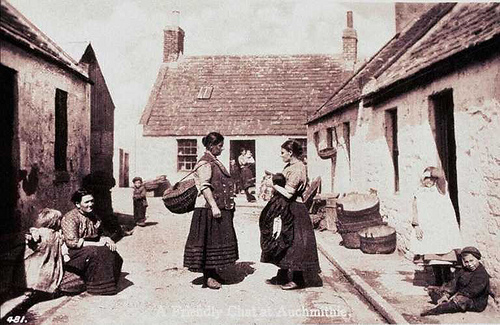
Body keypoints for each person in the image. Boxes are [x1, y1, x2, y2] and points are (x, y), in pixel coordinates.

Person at [261, 139, 320, 290]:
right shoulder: (291, 166)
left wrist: (272, 184)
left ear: (290, 153)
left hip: (295, 209)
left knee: (296, 244)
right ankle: (282, 275)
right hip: (287, 208)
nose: (281, 156)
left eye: (283, 153)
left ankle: (298, 280)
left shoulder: (298, 168)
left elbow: (289, 193)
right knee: (282, 241)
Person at [183, 132, 239, 290]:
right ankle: (208, 277)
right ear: (211, 146)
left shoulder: (213, 161)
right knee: (209, 242)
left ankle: (213, 273)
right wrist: (214, 206)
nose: (222, 149)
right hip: (208, 209)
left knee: (216, 242)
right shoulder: (205, 163)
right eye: (220, 146)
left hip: (218, 207)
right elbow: (205, 186)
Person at [61, 189, 123, 295]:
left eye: (92, 201)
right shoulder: (70, 218)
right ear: (77, 204)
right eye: (87, 202)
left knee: (111, 253)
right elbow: (72, 242)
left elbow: (100, 233)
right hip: (75, 250)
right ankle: (97, 287)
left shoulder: (93, 216)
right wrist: (97, 244)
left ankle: (106, 285)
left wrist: (107, 239)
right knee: (97, 252)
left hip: (91, 246)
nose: (90, 204)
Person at [411, 167, 462, 286]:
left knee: (445, 259)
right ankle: (438, 284)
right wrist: (417, 226)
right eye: (425, 179)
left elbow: (441, 176)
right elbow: (415, 210)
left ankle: (447, 285)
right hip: (428, 230)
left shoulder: (440, 189)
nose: (428, 181)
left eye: (431, 178)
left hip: (442, 229)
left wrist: (431, 170)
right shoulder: (418, 192)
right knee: (433, 258)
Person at [421, 246, 491, 316]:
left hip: (474, 301)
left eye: (471, 261)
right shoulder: (464, 269)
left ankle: (436, 310)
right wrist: (446, 295)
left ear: (477, 259)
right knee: (434, 291)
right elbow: (454, 283)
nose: (469, 264)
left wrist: (453, 298)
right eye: (466, 262)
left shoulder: (481, 275)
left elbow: (470, 292)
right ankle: (444, 303)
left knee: (460, 301)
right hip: (460, 293)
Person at [22, 208, 66, 301]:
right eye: (59, 220)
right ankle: (41, 292)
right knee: (45, 276)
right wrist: (32, 234)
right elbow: (32, 234)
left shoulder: (55, 233)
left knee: (38, 276)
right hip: (43, 259)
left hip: (45, 259)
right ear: (54, 222)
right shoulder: (44, 232)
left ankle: (33, 293)